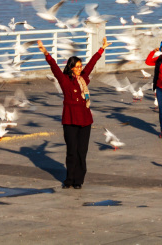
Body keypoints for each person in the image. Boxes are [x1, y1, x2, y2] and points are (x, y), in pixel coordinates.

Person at [37, 37, 109, 189]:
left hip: (85, 120)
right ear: (70, 68)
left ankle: (78, 180)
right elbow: (54, 67)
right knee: (71, 151)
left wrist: (101, 49)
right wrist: (46, 53)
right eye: (76, 67)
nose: (79, 69)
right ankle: (69, 179)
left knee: (82, 152)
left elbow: (91, 64)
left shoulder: (84, 78)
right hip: (70, 120)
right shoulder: (64, 80)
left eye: (80, 66)